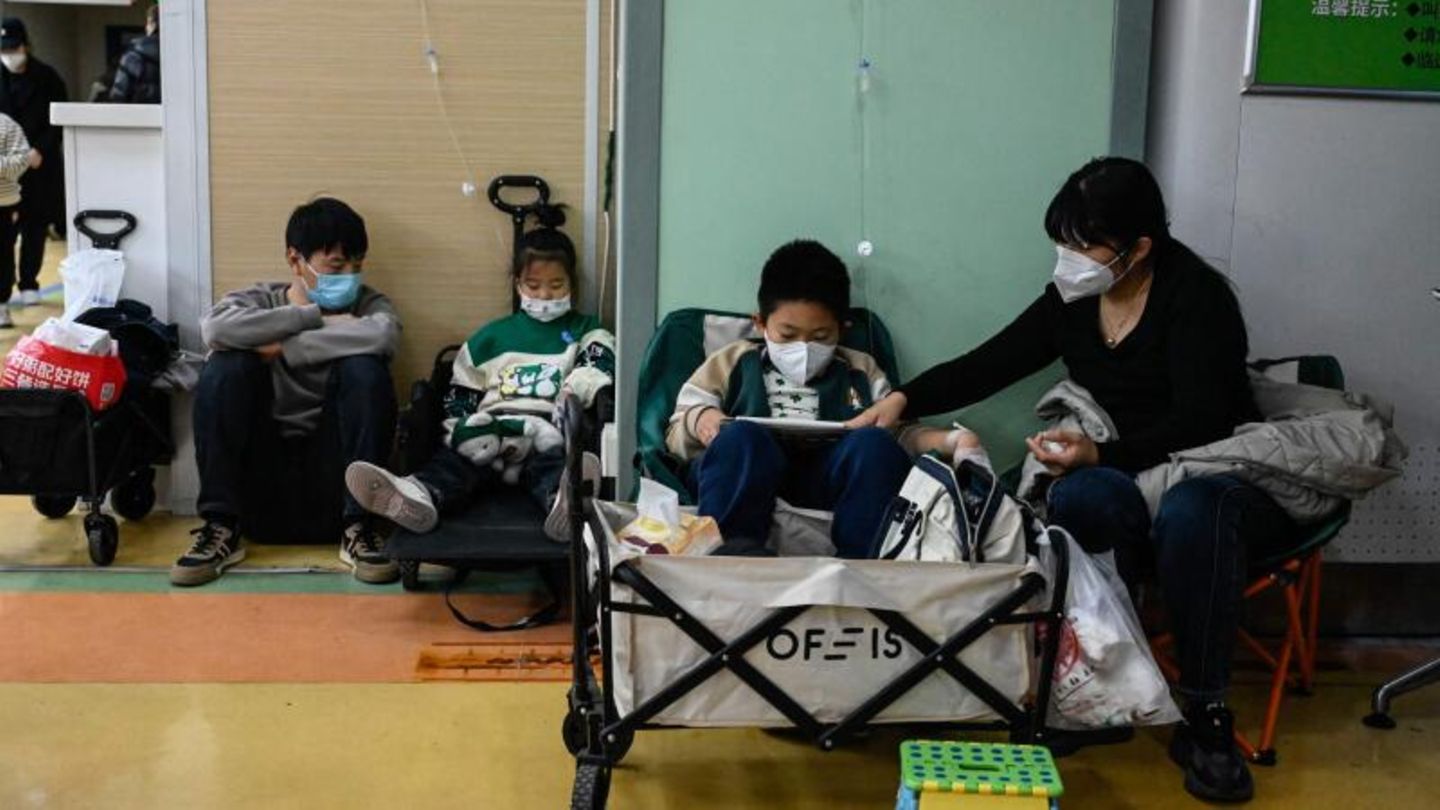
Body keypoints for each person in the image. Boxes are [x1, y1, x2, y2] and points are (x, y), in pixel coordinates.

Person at [848, 157, 1287, 803]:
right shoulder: (1075, 297)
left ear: (1140, 247)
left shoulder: (1196, 298)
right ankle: (1090, 694)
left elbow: (1204, 419)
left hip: (1212, 470)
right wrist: (903, 400)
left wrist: (1104, 452)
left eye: (1085, 246)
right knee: (1077, 500)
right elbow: (992, 360)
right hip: (1121, 470)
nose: (1069, 261)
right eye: (1063, 244)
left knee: (1193, 511)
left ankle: (1205, 716)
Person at [345, 206, 613, 543]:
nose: (545, 295)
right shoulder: (489, 338)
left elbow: (599, 363)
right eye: (534, 285)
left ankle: (563, 502)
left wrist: (571, 392)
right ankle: (418, 494)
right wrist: (461, 428)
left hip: (546, 428)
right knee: (455, 463)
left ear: (571, 283)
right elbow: (461, 393)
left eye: (556, 285)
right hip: (492, 429)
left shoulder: (586, 329)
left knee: (551, 465)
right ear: (518, 284)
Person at [173, 198, 401, 587]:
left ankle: (359, 527)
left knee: (366, 369)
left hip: (335, 474)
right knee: (225, 367)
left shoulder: (369, 304)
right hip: (263, 471)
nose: (350, 276)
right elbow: (216, 331)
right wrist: (310, 317)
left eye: (357, 265)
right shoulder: (257, 300)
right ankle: (221, 525)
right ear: (296, 261)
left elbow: (383, 334)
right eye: (336, 265)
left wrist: (284, 347)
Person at [667, 239, 911, 558]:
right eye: (788, 335)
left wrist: (947, 442)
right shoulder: (732, 361)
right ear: (760, 323)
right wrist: (702, 421)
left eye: (821, 337)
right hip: (744, 473)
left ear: (843, 329)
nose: (804, 348)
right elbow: (675, 430)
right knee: (741, 438)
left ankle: (862, 561)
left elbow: (899, 432)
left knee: (875, 446)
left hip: (825, 477)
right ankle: (732, 555)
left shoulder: (861, 369)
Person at [0, 17, 67, 307]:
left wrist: (41, 149)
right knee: (4, 236)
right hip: (4, 172)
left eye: (14, 48)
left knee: (35, 226)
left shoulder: (48, 77)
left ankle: (29, 282)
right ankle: (4, 289)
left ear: (26, 45)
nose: (9, 55)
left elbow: (58, 121)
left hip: (39, 165)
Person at [0, 110, 31, 329]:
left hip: (3, 204)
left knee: (2, 257)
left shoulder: (7, 124)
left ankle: (1, 305)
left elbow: (22, 160)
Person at [107, 4, 160, 104]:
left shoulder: (134, 54)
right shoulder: (181, 52)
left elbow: (119, 94)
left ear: (152, 24)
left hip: (140, 114)